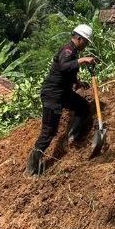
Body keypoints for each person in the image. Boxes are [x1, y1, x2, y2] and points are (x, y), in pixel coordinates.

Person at [24, 24, 96, 176]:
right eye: (86, 41)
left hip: (63, 93)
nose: (87, 44)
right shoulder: (67, 50)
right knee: (48, 132)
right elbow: (64, 66)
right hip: (52, 95)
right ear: (79, 38)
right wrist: (82, 60)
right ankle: (31, 168)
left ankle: (72, 137)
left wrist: (77, 83)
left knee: (83, 107)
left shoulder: (74, 52)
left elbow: (68, 73)